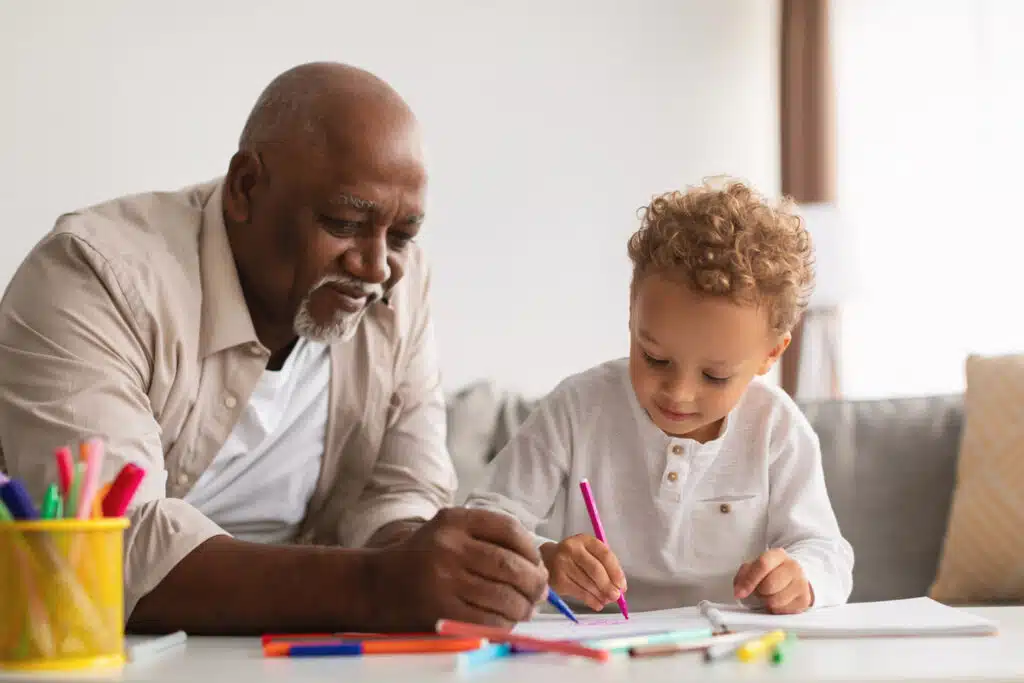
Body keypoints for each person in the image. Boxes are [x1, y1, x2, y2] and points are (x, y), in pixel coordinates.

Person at [0, 62, 548, 634]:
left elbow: (400, 489)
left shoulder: (400, 288)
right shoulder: (94, 276)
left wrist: (441, 566)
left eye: (403, 236)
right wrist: (380, 584)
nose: (377, 265)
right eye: (344, 222)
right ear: (245, 188)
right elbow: (107, 548)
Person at [464, 179, 854, 615]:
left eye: (714, 375)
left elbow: (827, 552)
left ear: (770, 354)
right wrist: (545, 558)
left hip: (729, 652)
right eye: (654, 358)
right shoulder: (577, 409)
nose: (678, 392)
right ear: (632, 309)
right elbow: (484, 521)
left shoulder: (776, 428)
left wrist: (801, 577)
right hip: (592, 647)